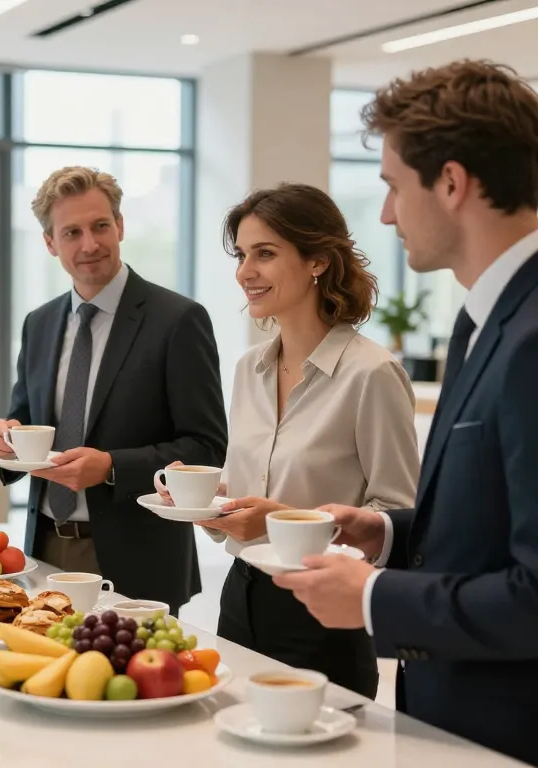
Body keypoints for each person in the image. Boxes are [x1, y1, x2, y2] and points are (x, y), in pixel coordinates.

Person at [272, 60, 538, 765]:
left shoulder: (532, 336)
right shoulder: (483, 321)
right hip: (452, 721)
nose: (386, 214)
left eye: (393, 186)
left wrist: (375, 597)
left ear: (451, 183)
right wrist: (389, 532)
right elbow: (498, 524)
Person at [159, 183, 419, 698]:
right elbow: (250, 491)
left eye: (265, 254)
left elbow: (398, 516)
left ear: (317, 261)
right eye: (241, 255)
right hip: (240, 595)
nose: (245, 272)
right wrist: (205, 502)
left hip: (325, 611)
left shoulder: (372, 373)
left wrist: (278, 520)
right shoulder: (248, 369)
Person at [0, 165, 228, 613]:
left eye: (100, 226)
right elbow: (25, 420)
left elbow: (206, 447)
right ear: (50, 242)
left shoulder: (177, 320)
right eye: (71, 232)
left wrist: (112, 467)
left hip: (139, 560)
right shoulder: (39, 324)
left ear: (119, 225)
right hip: (45, 549)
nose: (89, 244)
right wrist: (6, 439)